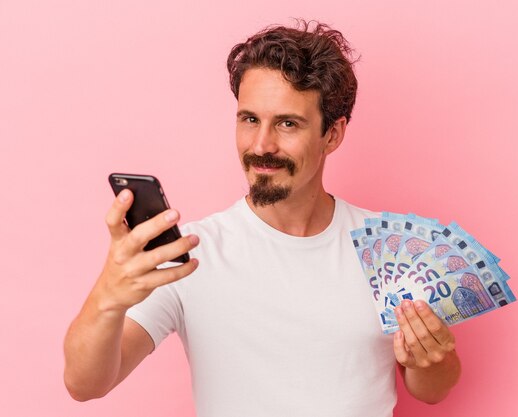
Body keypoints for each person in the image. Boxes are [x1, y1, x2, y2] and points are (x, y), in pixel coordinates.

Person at [63, 20, 461, 417]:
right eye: (250, 119)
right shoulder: (190, 254)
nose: (261, 145)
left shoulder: (389, 249)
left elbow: (430, 391)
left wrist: (433, 357)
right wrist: (108, 296)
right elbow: (85, 385)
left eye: (288, 123)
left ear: (333, 135)